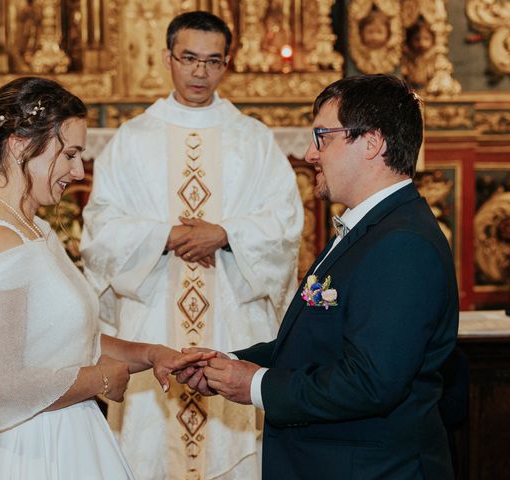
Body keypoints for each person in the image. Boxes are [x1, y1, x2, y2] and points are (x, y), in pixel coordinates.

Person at [177, 74, 460, 479]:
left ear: (372, 143)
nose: (310, 153)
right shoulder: (368, 229)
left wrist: (256, 385)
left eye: (323, 136)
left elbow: (370, 382)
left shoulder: (402, 243)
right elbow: (317, 347)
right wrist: (230, 365)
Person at [81, 10, 303, 480]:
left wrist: (225, 234)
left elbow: (285, 224)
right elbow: (100, 231)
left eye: (212, 60)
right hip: (153, 315)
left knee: (236, 447)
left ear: (227, 64)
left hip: (232, 319)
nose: (200, 71)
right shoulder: (131, 140)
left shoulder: (254, 140)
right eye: (189, 58)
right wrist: (163, 237)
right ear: (168, 58)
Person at [0, 76, 209, 479]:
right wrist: (101, 378)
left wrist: (152, 354)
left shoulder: (33, 229)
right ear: (20, 144)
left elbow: (65, 339)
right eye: (69, 153)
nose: (78, 169)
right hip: (29, 451)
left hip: (65, 433)